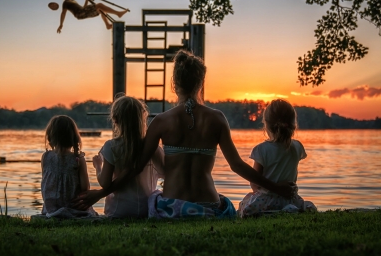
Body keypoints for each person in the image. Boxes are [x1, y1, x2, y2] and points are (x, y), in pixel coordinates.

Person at [73, 50, 296, 218]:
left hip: (172, 207)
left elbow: (135, 168)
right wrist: (277, 188)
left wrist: (99, 194)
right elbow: (237, 165)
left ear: (174, 83)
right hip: (209, 206)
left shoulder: (161, 121)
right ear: (201, 83)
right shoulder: (217, 118)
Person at [238, 99, 317, 217]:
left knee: (244, 205)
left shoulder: (261, 150)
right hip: (290, 198)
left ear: (267, 125)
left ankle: (272, 212)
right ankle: (287, 210)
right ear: (293, 125)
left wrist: (258, 195)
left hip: (267, 199)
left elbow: (254, 183)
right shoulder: (297, 147)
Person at [93, 95, 164, 218]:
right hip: (146, 210)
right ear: (142, 118)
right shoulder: (153, 148)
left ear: (115, 120)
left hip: (118, 211)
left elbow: (105, 183)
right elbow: (166, 174)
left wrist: (98, 166)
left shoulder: (111, 147)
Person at [41, 115, 97, 218]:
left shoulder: (46, 157)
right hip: (74, 208)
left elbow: (45, 182)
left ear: (50, 138)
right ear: (74, 138)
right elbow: (85, 187)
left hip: (51, 209)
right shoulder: (78, 159)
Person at [57, 0, 129, 32]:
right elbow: (63, 14)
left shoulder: (73, 1)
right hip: (79, 14)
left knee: (101, 9)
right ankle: (118, 13)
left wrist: (86, 1)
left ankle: (107, 25)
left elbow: (83, 7)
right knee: (99, 5)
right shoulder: (65, 3)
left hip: (82, 11)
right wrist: (61, 25)